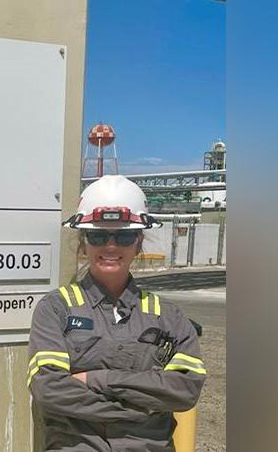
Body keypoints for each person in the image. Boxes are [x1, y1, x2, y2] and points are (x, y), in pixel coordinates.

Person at [27, 175, 206, 451]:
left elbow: (186, 389)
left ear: (138, 242)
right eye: (98, 235)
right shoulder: (56, 308)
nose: (110, 246)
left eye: (123, 236)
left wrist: (98, 379)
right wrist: (144, 408)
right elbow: (49, 389)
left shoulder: (168, 317)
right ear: (84, 242)